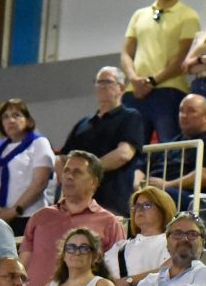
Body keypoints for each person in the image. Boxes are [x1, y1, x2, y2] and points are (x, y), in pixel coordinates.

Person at [23, 154, 126, 286]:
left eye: (77, 172)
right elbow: (23, 263)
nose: (69, 176)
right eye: (66, 171)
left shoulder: (109, 223)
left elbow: (116, 275)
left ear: (94, 182)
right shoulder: (40, 217)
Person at [121, 0, 200, 147]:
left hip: (169, 91)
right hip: (134, 92)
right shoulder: (139, 15)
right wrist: (134, 79)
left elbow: (183, 57)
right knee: (128, 149)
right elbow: (126, 52)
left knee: (168, 146)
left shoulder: (188, 16)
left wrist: (152, 81)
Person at [60, 70, 149, 220]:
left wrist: (87, 172)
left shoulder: (130, 117)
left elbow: (123, 154)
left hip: (112, 200)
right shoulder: (83, 123)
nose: (101, 86)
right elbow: (64, 157)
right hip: (78, 204)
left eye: (107, 82)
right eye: (98, 82)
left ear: (121, 87)